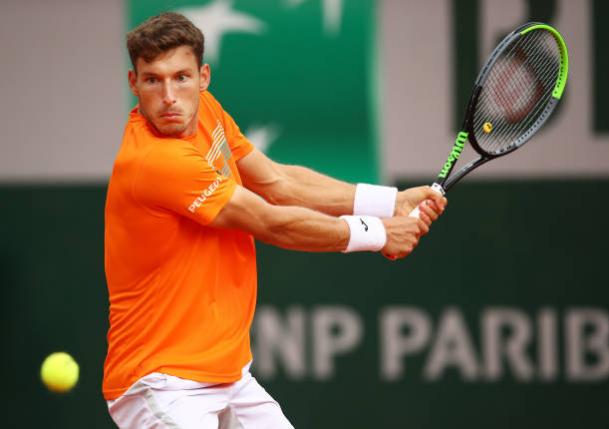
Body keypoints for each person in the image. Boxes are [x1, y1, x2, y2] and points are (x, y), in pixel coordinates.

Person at [103, 11, 446, 429]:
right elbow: (271, 222)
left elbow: (278, 182)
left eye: (181, 77)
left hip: (228, 373)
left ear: (204, 77)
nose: (170, 96)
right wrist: (377, 233)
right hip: (160, 382)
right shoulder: (155, 163)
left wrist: (387, 202)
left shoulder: (206, 112)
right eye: (153, 80)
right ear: (133, 84)